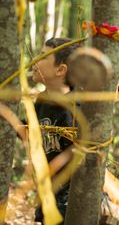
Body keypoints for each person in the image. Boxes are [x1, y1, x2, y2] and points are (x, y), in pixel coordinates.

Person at [31, 37, 81, 224]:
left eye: (43, 57)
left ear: (61, 70)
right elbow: (30, 130)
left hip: (69, 196)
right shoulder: (42, 99)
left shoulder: (77, 107)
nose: (34, 60)